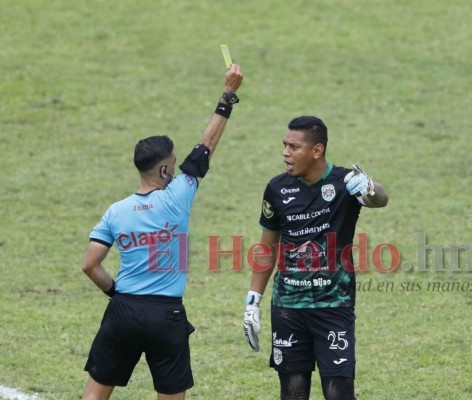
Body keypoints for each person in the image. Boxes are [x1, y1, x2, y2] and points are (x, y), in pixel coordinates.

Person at [81, 64, 244, 400]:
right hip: (165, 315)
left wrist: (116, 294)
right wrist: (227, 96)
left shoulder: (116, 211)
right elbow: (206, 146)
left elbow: (89, 265)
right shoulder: (177, 196)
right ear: (167, 168)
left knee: (95, 396)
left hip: (123, 310)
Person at [242, 116, 388, 400]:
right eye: (284, 145)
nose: (285, 153)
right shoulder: (276, 189)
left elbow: (381, 199)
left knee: (338, 394)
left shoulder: (345, 183)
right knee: (293, 393)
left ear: (317, 150)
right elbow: (267, 249)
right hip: (288, 307)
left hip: (334, 306)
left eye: (294, 147)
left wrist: (369, 186)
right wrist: (252, 301)